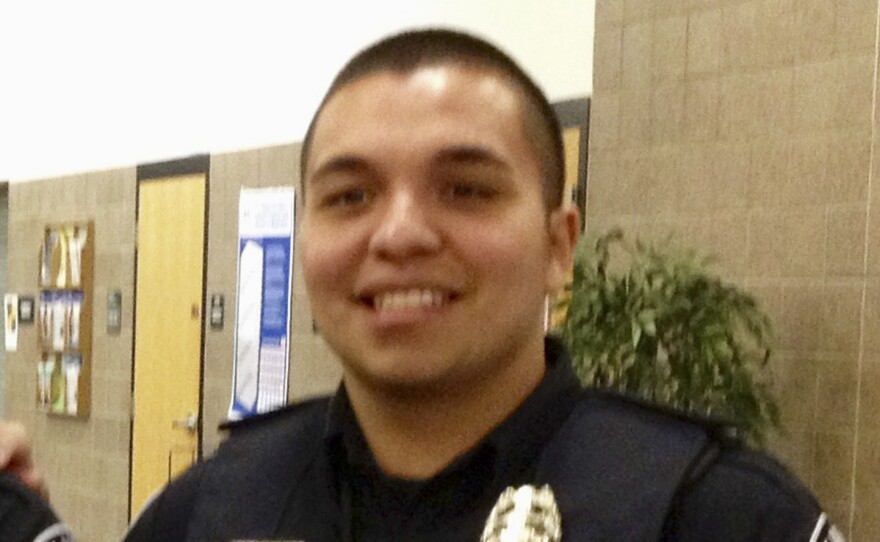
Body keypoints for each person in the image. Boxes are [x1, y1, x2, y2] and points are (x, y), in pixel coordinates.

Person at [2, 28, 842, 541]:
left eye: (466, 189)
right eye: (350, 196)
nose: (399, 233)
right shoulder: (218, 505)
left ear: (559, 245)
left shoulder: (713, 516)